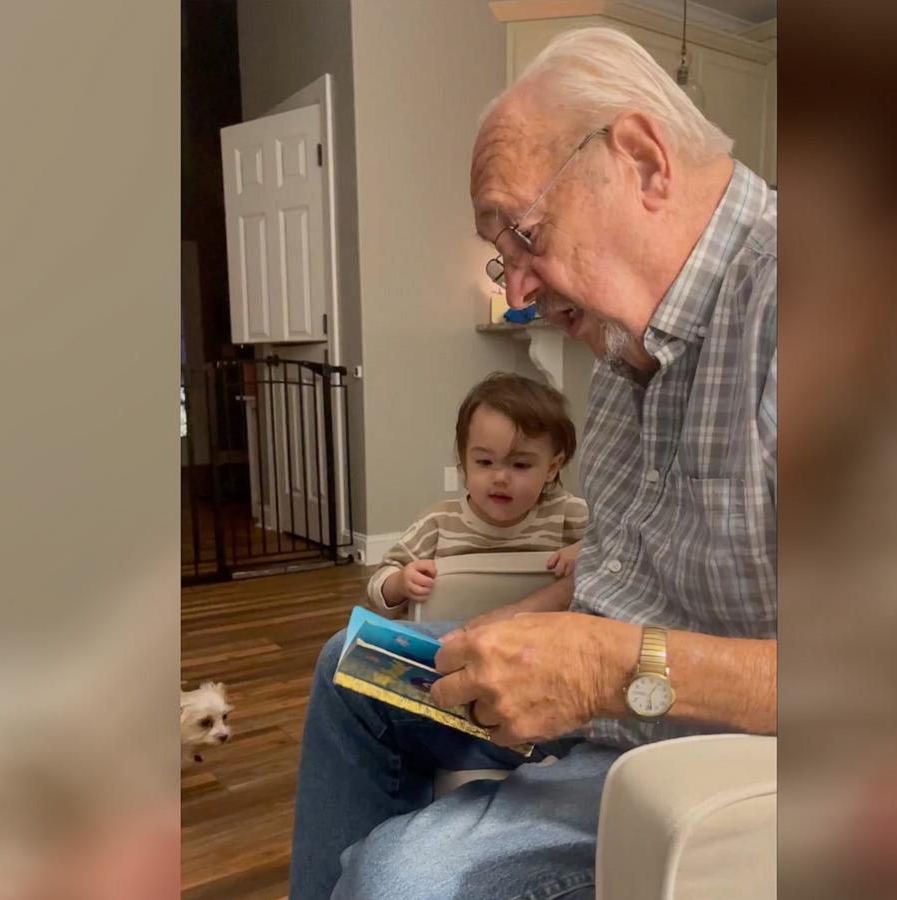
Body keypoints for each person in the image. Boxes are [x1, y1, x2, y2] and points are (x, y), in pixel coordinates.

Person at [289, 27, 777, 900]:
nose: (514, 291)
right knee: (351, 667)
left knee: (401, 880)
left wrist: (599, 665)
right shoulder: (628, 335)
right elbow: (631, 566)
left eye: (524, 234)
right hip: (604, 709)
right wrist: (530, 620)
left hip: (699, 755)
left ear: (640, 160)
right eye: (500, 253)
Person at [367, 372, 588, 615]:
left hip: (534, 644)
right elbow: (379, 583)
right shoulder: (438, 524)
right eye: (484, 462)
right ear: (464, 462)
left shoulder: (567, 515)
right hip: (449, 640)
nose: (500, 478)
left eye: (520, 465)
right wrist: (399, 583)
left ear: (552, 468)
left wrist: (587, 548)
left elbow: (619, 548)